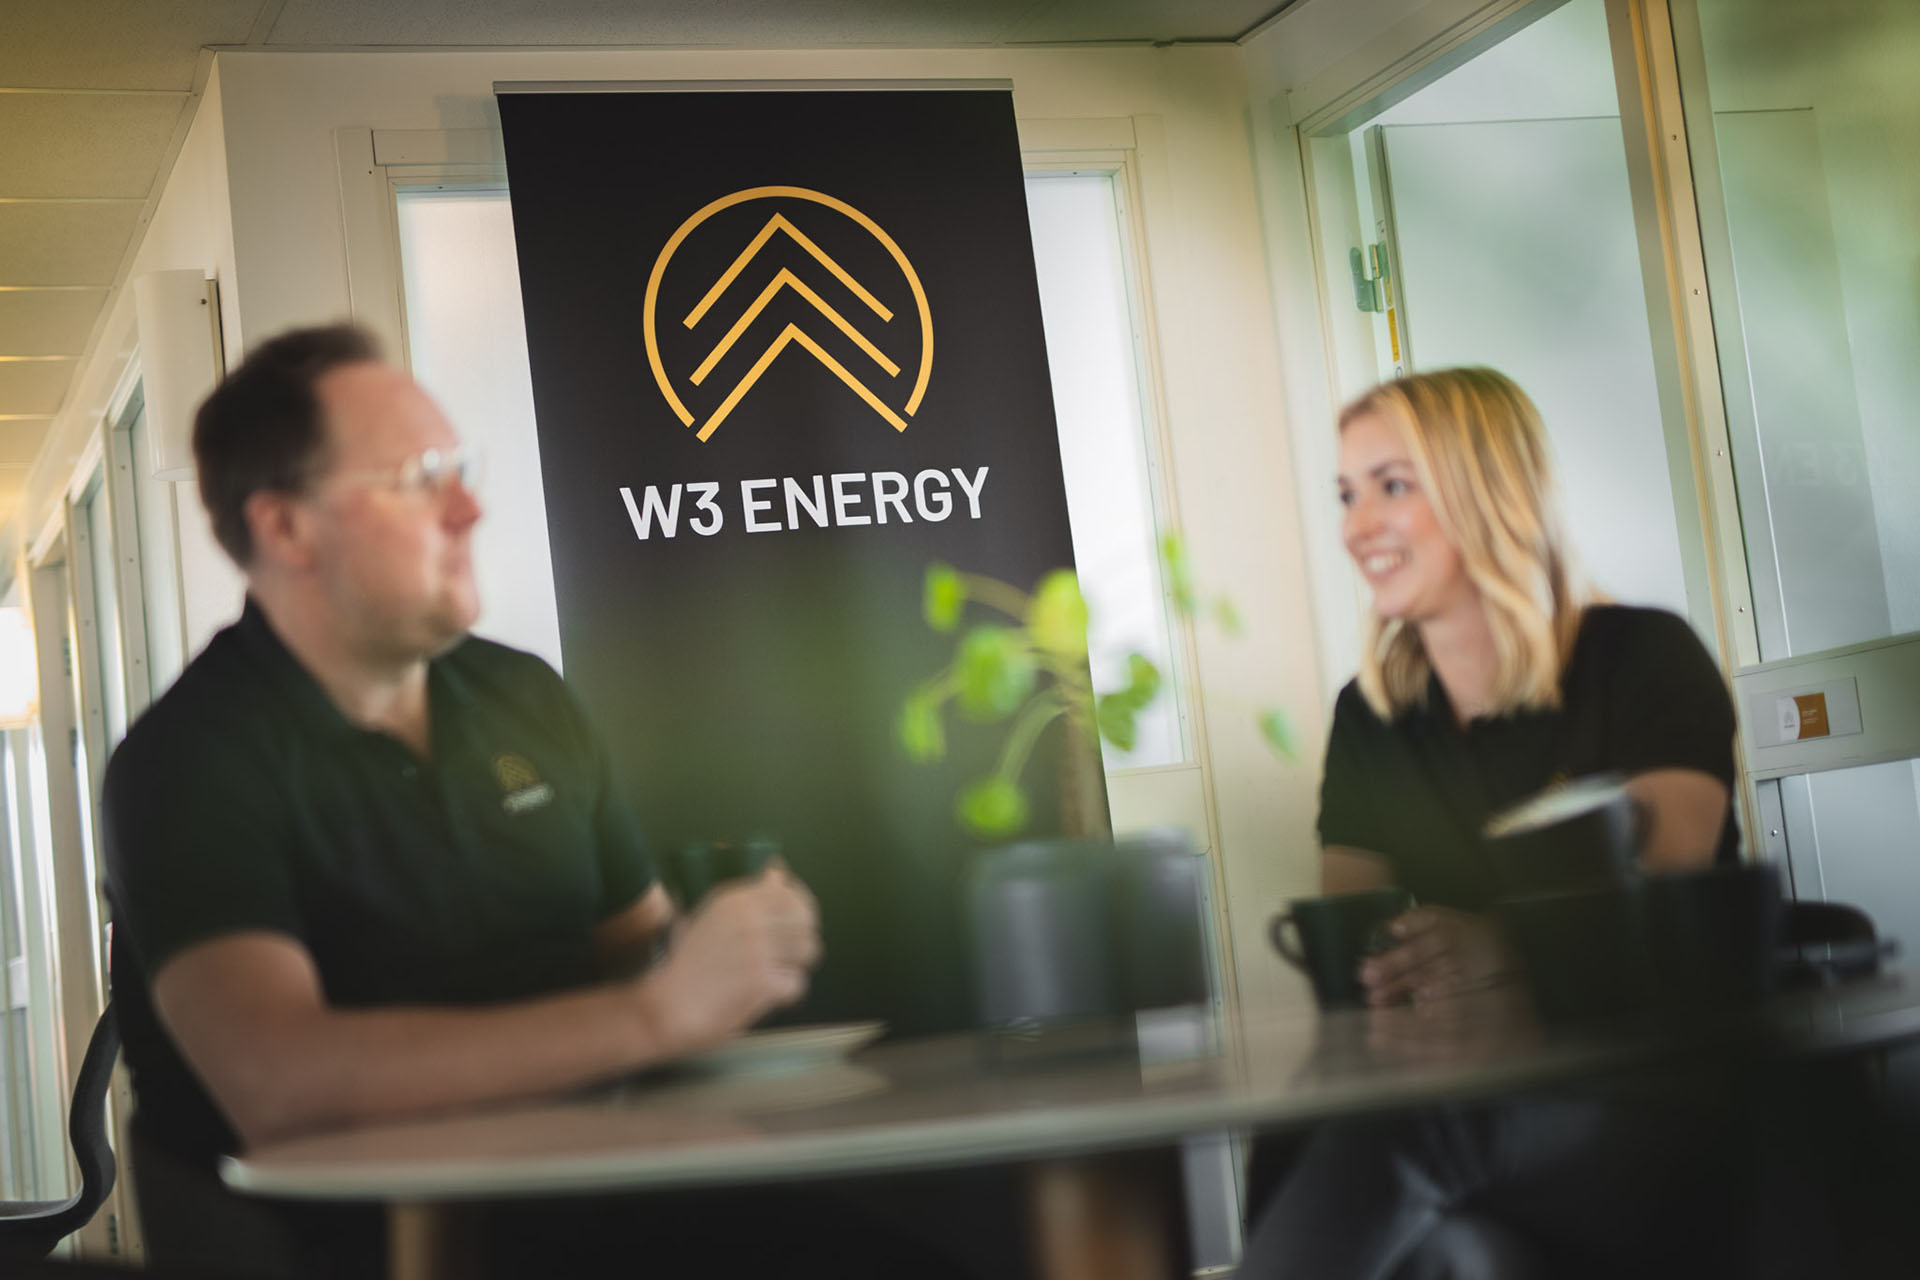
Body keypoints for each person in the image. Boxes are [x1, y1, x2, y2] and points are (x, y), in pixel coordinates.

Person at [102, 325, 824, 1275]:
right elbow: (280, 1081)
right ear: (286, 528)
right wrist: (658, 1014)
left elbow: (635, 945)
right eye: (421, 477)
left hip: (600, 1203)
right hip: (361, 1247)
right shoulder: (188, 760)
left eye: (463, 468)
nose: (472, 508)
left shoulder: (524, 696)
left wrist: (731, 953)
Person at [1241, 367, 1751, 1279]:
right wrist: (1384, 968)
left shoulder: (1641, 658)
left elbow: (1662, 888)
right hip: (1473, 1106)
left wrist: (1498, 946)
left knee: (1417, 1129)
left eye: (1393, 486)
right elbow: (1357, 945)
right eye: (1347, 495)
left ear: (1486, 491)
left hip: (1648, 1097)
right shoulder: (1373, 714)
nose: (1358, 529)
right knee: (1440, 1237)